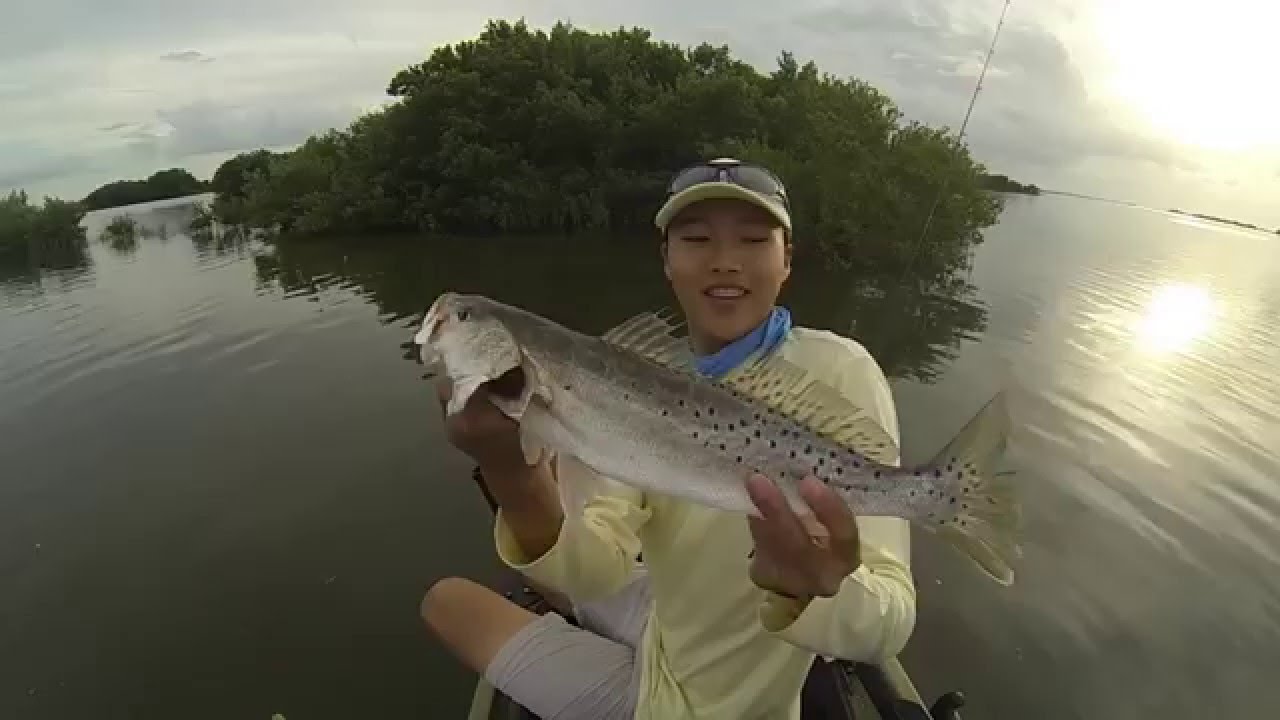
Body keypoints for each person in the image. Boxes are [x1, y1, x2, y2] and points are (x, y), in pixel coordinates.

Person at [422, 158, 916, 720]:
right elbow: (592, 570)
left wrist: (814, 589)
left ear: (787, 261)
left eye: (754, 239)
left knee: (448, 602)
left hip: (685, 705)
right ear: (666, 259)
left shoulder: (842, 368)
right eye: (696, 238)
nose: (725, 261)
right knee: (528, 588)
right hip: (669, 620)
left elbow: (888, 624)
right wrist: (508, 468)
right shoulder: (621, 375)